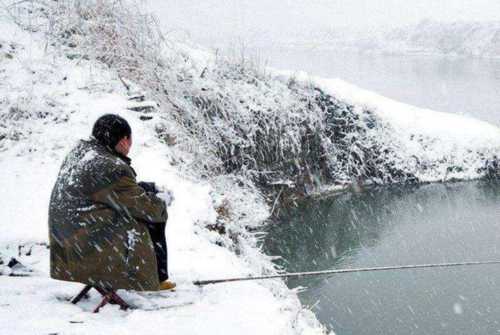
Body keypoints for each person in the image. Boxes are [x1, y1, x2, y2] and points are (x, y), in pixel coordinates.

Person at [48, 114, 175, 291]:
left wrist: (147, 190)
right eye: (130, 140)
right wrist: (162, 202)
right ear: (123, 140)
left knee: (146, 197)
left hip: (67, 241)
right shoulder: (109, 166)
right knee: (152, 218)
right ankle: (156, 277)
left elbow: (111, 191)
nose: (130, 146)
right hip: (86, 245)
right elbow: (146, 209)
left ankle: (157, 276)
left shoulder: (83, 154)